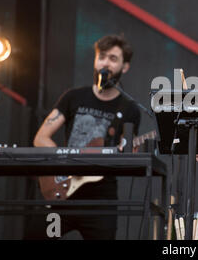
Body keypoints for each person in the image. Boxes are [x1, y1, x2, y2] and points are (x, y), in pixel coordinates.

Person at [24, 34, 141, 240]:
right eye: (102, 57)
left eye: (113, 58)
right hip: (63, 192)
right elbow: (41, 137)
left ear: (125, 67)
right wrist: (68, 163)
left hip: (101, 200)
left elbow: (127, 151)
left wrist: (129, 152)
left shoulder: (129, 108)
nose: (106, 63)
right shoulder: (74, 97)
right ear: (95, 60)